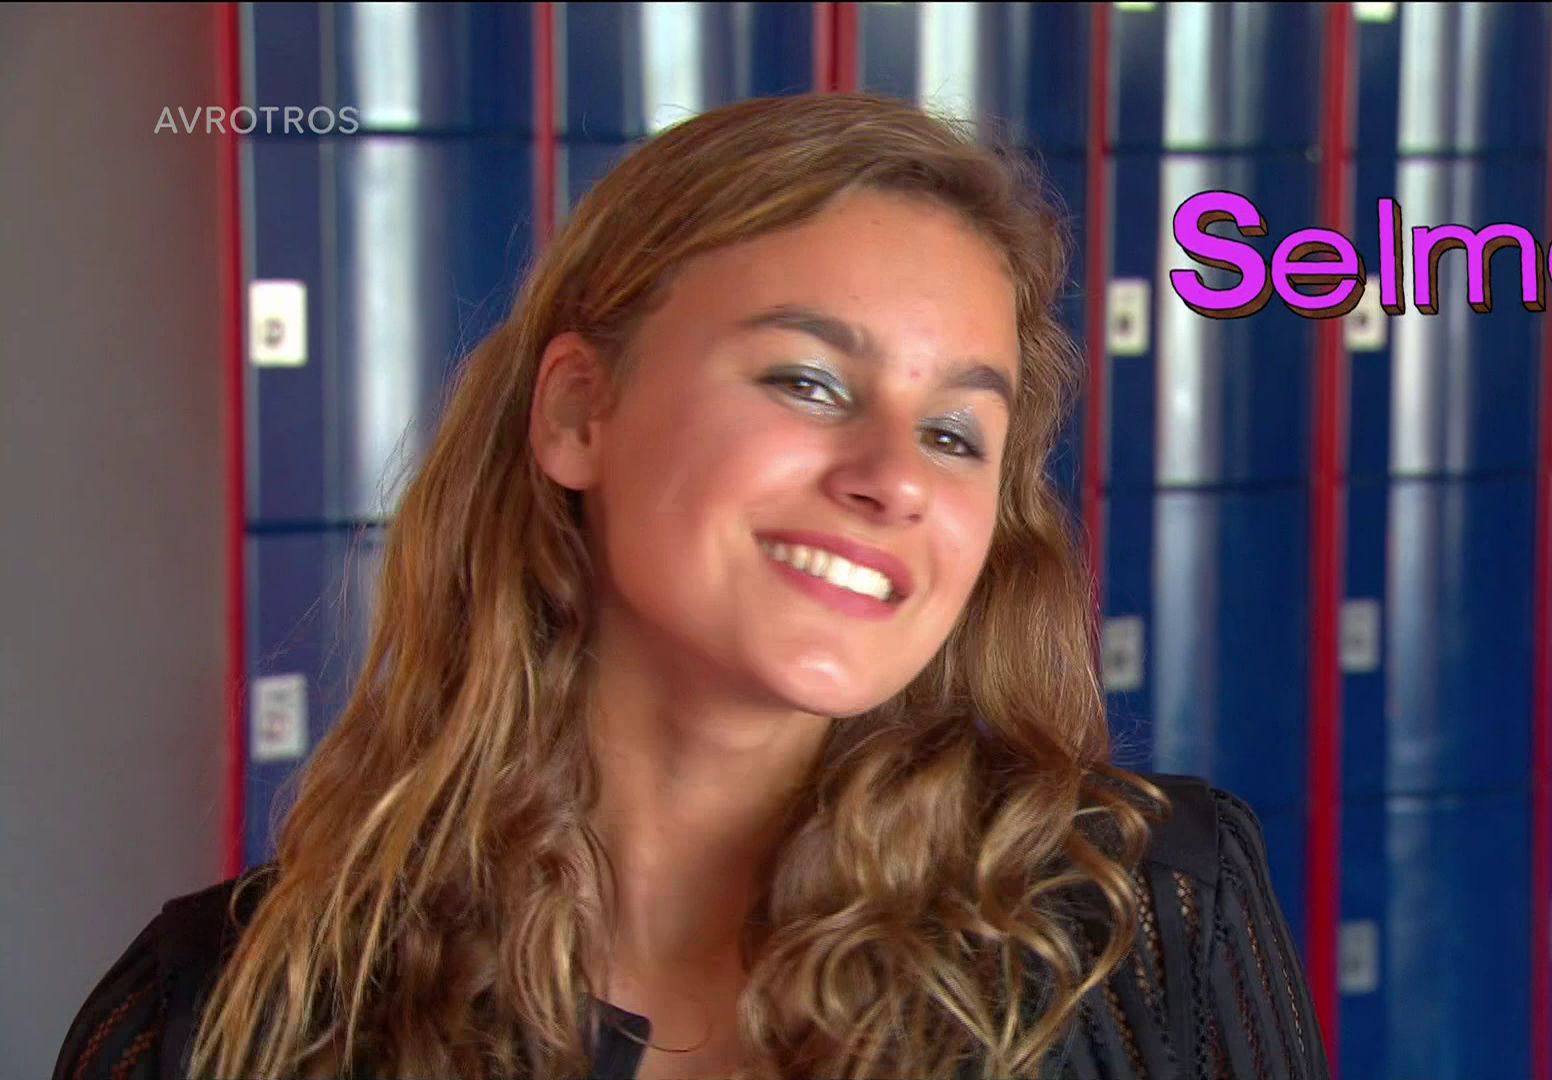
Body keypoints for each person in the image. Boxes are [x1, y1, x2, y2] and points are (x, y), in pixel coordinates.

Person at [53, 92, 1329, 1080]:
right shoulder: (225, 1012)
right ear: (577, 412)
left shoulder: (1139, 923)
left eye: (954, 433)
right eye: (808, 382)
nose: (894, 477)